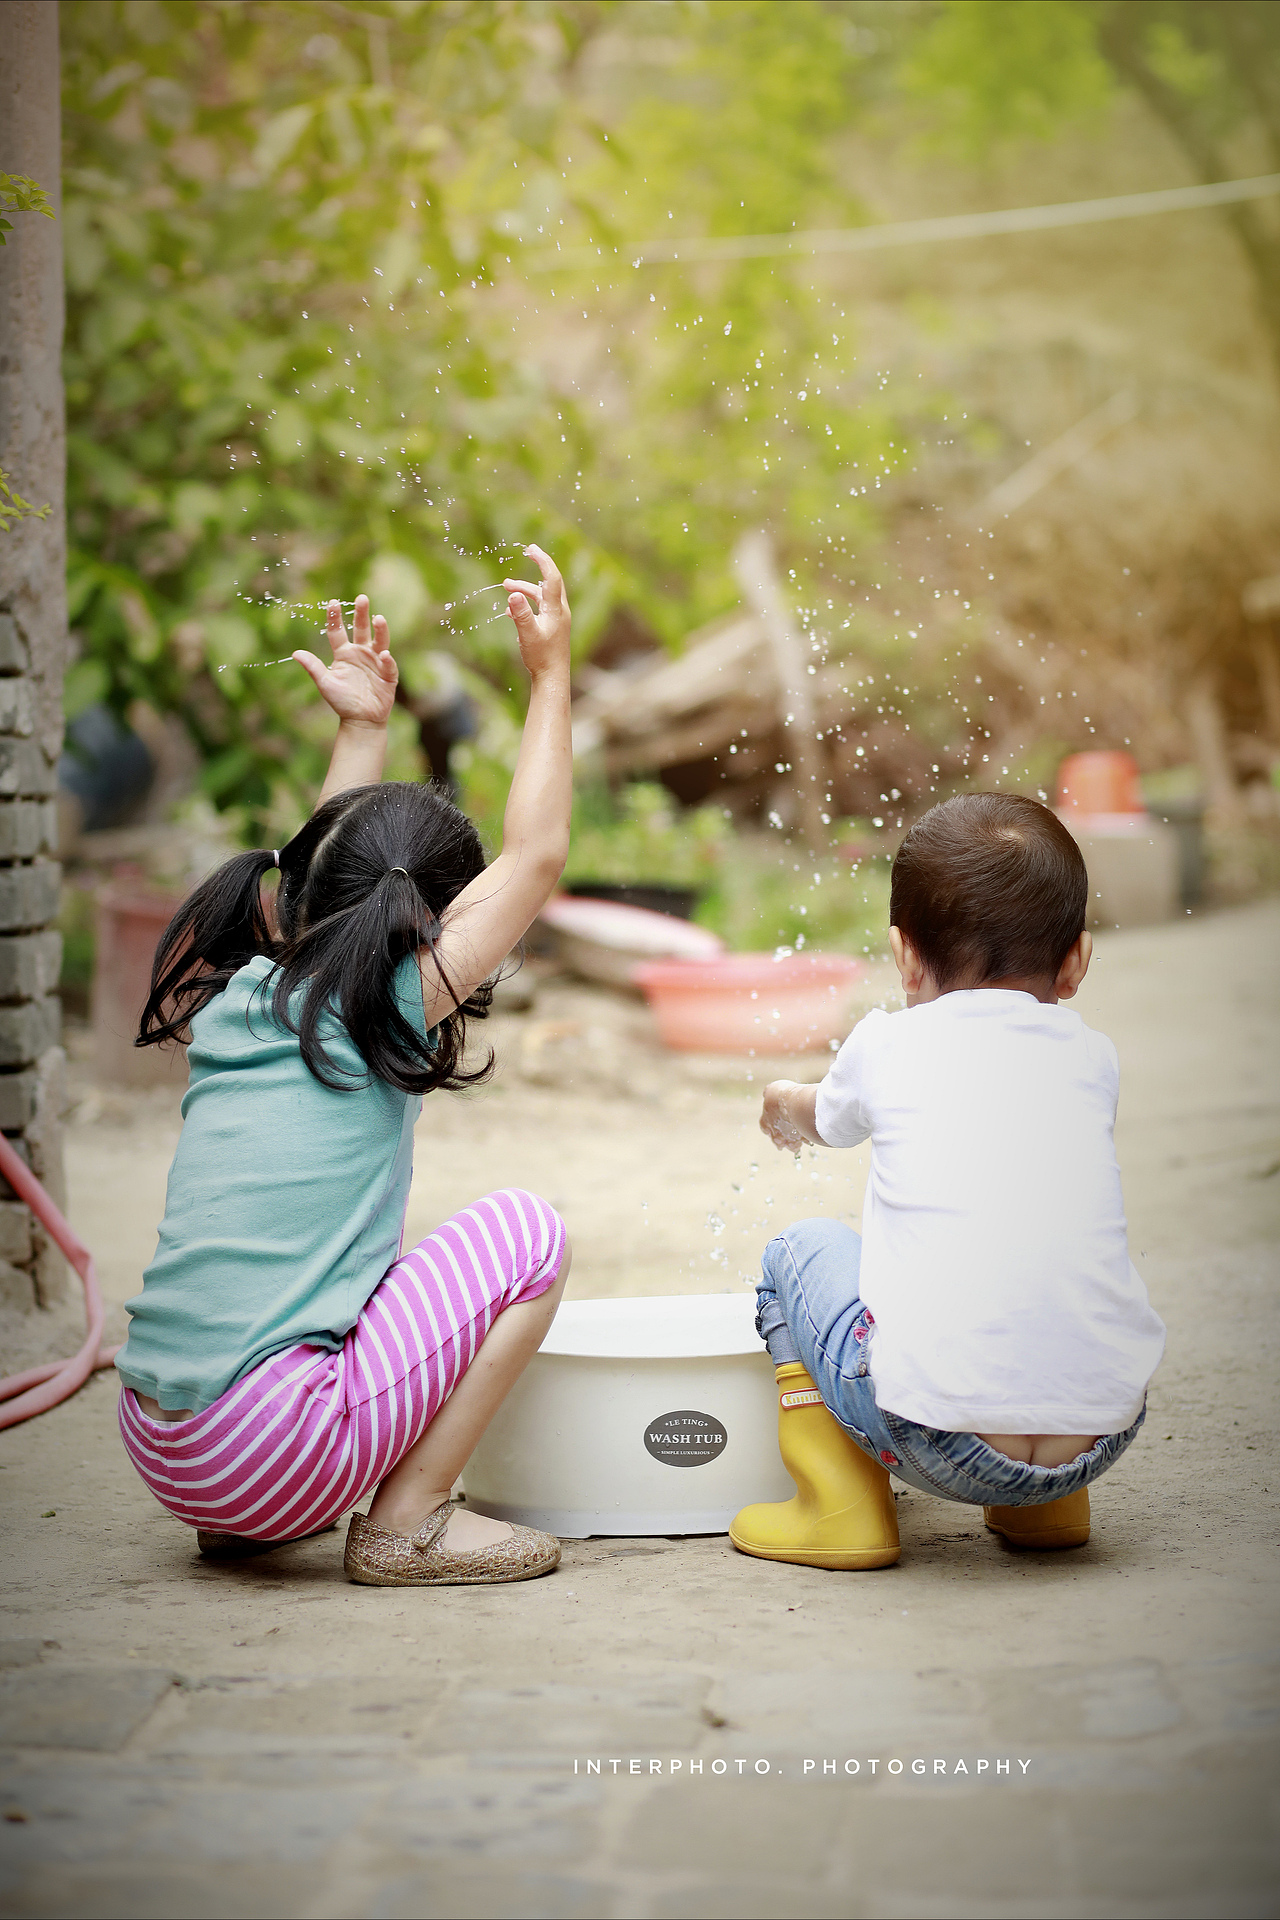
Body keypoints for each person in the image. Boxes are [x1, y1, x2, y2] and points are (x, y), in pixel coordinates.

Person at [114, 549, 574, 1589]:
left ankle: (246, 1521)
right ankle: (404, 1524)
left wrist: (360, 729)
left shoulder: (242, 999)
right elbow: (536, 853)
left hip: (160, 1440)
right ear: (431, 936)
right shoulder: (388, 1002)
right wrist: (548, 676)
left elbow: (318, 884)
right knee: (526, 1236)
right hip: (264, 1451)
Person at [731, 791, 1166, 1571]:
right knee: (1031, 1239)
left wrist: (780, 1104)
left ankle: (839, 1508)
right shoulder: (1093, 1058)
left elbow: (822, 1118)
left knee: (797, 1253)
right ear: (1076, 961)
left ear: (904, 955)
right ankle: (1045, 1508)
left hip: (939, 1440)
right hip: (1102, 1431)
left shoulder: (889, 1046)